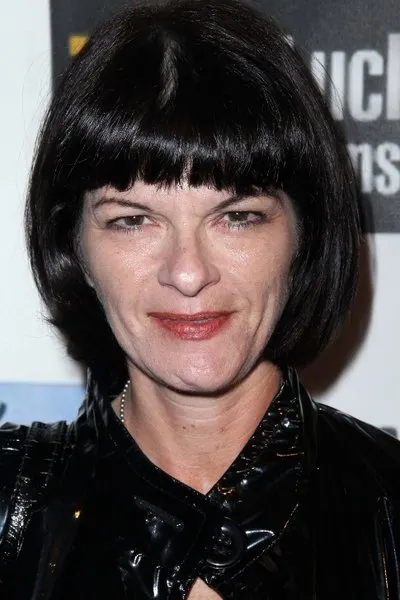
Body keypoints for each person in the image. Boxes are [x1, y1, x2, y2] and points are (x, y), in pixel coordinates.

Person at [0, 0, 399, 598]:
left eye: (237, 216)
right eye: (133, 220)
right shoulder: (11, 509)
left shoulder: (389, 502)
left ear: (305, 235)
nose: (188, 274)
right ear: (73, 247)